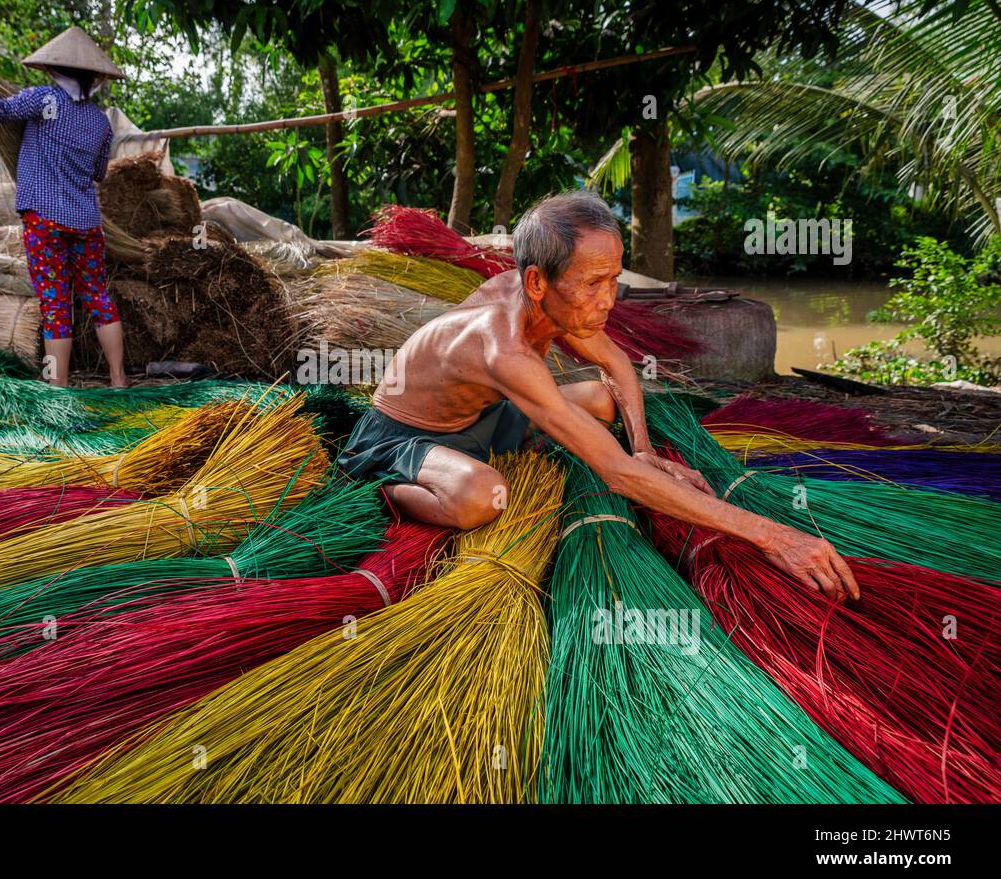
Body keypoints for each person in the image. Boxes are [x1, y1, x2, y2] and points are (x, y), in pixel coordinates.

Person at [338, 190, 860, 601]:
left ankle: (519, 448)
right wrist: (774, 536)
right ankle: (385, 488)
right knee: (480, 498)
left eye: (613, 279)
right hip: (401, 438)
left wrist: (644, 449)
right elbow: (617, 476)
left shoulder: (548, 299)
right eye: (594, 284)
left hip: (482, 416)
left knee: (600, 400)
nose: (608, 299)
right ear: (539, 281)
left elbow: (618, 366)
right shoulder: (504, 347)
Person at [0, 3, 127, 387]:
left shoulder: (45, 100)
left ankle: (57, 387)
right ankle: (118, 378)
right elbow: (98, 174)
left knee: (56, 303)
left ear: (54, 68)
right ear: (94, 77)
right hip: (87, 225)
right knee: (98, 297)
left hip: (45, 221)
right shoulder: (100, 121)